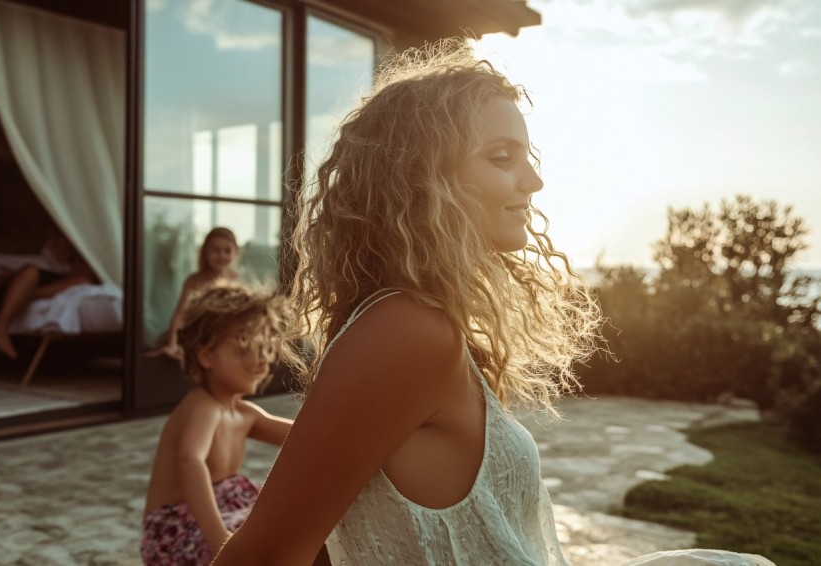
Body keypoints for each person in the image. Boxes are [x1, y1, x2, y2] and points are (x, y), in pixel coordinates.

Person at [213, 40, 602, 565]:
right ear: (425, 178)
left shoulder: (424, 324)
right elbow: (267, 556)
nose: (533, 181)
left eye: (525, 159)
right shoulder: (406, 330)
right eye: (501, 157)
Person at [141, 283, 293, 565]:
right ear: (206, 355)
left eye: (265, 347)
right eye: (245, 347)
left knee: (292, 521)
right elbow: (190, 460)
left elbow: (308, 437)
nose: (260, 360)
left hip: (223, 508)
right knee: (265, 544)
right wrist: (220, 540)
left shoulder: (245, 413)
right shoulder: (204, 406)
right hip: (178, 527)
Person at [0, 230, 98, 359]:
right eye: (63, 238)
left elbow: (82, 278)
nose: (68, 242)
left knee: (83, 280)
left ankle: (24, 295)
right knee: (30, 272)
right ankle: (0, 329)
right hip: (9, 291)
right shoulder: (45, 257)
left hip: (35, 290)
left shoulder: (78, 263)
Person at [153, 227, 240, 359]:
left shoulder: (236, 279)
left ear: (235, 253)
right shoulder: (195, 281)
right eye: (216, 250)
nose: (222, 255)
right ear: (205, 252)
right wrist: (173, 344)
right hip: (197, 339)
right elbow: (180, 315)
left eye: (227, 251)